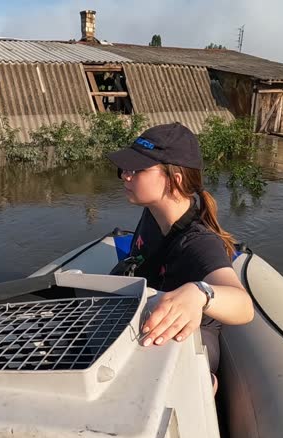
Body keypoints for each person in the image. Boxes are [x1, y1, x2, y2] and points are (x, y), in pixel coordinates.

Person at [107, 123, 255, 393]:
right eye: (123, 169)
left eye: (136, 170)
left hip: (190, 338)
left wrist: (200, 293)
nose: (125, 176)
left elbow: (244, 306)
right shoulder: (153, 211)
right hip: (151, 312)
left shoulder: (199, 242)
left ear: (174, 180)